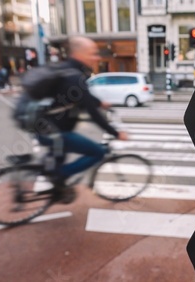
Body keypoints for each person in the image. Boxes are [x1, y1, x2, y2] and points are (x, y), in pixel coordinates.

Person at [36, 36, 128, 203]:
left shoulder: (66, 70)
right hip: (55, 132)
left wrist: (100, 103)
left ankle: (57, 188)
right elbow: (93, 114)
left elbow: (80, 96)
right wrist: (115, 133)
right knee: (97, 152)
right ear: (81, 55)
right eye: (93, 53)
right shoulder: (75, 77)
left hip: (45, 127)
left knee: (56, 163)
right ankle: (58, 177)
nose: (98, 57)